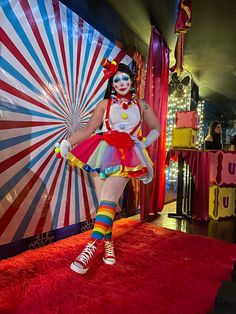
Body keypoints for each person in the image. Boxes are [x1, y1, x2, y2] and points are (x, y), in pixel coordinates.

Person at [58, 58, 161, 275]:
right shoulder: (104, 104)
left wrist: (144, 142)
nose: (122, 83)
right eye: (117, 80)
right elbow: (88, 130)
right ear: (112, 85)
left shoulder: (142, 105)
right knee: (107, 204)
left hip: (127, 155)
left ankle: (90, 248)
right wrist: (67, 142)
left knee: (109, 200)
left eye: (125, 78)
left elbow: (156, 127)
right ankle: (108, 244)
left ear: (131, 82)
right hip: (101, 153)